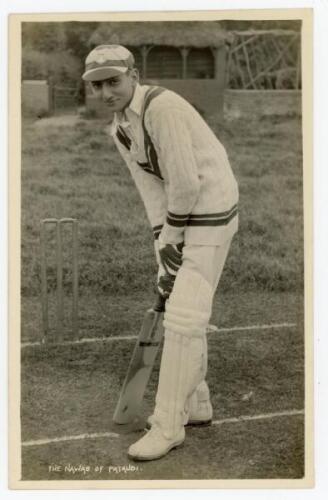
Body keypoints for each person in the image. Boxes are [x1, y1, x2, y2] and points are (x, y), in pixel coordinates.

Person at [82, 44, 239, 461]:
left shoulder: (162, 108)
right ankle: (198, 403)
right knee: (184, 309)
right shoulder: (117, 128)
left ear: (134, 74)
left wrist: (174, 236)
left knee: (185, 316)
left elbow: (186, 182)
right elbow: (152, 188)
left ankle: (169, 425)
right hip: (180, 210)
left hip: (211, 206)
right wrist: (162, 243)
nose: (106, 92)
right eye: (98, 86)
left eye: (113, 81)